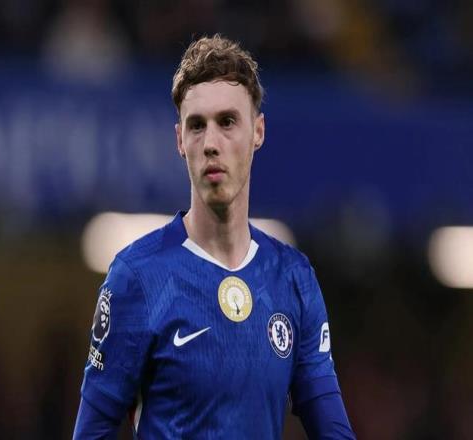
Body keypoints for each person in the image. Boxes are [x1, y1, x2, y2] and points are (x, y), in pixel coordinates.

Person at [73, 34, 356, 439]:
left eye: (227, 122)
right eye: (197, 126)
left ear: (258, 131)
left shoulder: (293, 278)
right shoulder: (136, 278)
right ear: (180, 140)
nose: (210, 144)